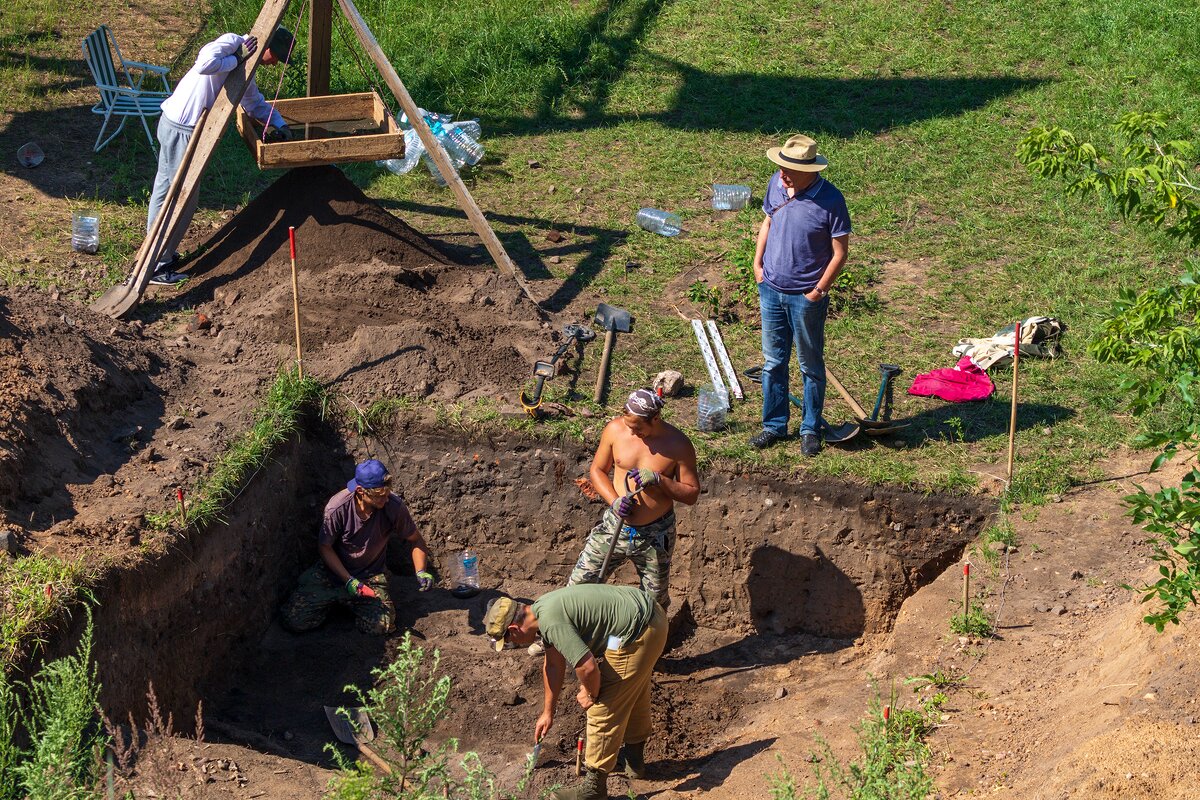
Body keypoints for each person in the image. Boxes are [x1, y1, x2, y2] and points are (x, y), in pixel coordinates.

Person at [484, 585, 668, 800]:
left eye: (509, 639)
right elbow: (553, 665)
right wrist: (547, 713)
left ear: (514, 628)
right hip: (641, 620)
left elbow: (589, 668)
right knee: (630, 692)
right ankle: (633, 762)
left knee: (603, 706)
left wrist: (590, 693)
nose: (512, 643)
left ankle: (593, 789)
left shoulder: (551, 622)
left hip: (639, 629)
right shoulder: (542, 609)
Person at [145, 27, 297, 285]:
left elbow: (253, 104)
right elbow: (204, 63)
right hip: (183, 127)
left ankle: (159, 254)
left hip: (183, 127)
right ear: (268, 48)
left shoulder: (247, 65)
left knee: (170, 192)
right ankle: (158, 265)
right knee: (178, 198)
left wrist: (280, 124)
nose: (275, 65)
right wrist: (236, 57)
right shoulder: (231, 43)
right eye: (277, 58)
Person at [749, 134, 852, 456]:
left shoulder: (830, 200)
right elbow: (768, 221)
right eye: (780, 167)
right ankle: (774, 426)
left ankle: (809, 429)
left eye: (789, 169)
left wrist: (819, 290)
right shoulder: (776, 185)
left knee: (810, 365)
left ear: (811, 170)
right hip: (770, 289)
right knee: (773, 362)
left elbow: (840, 252)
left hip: (805, 297)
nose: (782, 175)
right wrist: (757, 264)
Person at [567, 388, 699, 609]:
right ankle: (557, 639)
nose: (633, 432)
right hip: (615, 525)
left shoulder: (678, 445)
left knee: (653, 602)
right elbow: (598, 470)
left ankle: (651, 642)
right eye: (630, 426)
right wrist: (614, 501)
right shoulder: (615, 430)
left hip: (655, 535)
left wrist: (659, 480)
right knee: (578, 586)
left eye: (638, 428)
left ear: (655, 418)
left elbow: (691, 494)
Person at [281, 459, 434, 635]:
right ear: (361, 491)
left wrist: (421, 571)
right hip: (332, 575)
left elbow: (416, 540)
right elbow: (325, 547)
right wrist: (348, 580)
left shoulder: (393, 506)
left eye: (387, 493)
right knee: (294, 620)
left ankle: (351, 604)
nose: (386, 498)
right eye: (379, 495)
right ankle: (336, 601)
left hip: (370, 576)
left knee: (382, 626)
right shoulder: (337, 507)